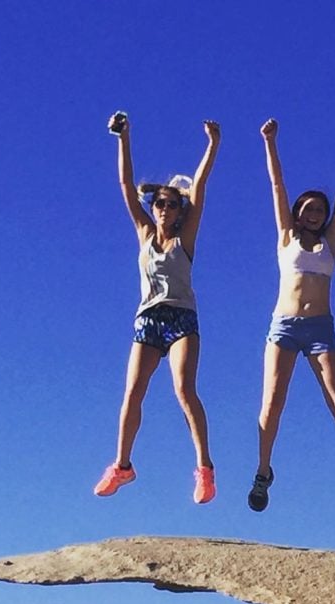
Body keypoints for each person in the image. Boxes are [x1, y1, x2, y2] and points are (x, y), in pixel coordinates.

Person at [248, 118, 335, 514]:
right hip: (283, 327)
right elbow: (276, 183)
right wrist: (270, 142)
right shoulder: (286, 238)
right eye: (308, 208)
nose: (316, 213)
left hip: (321, 329)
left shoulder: (330, 244)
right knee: (272, 401)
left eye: (320, 210)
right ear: (297, 213)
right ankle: (263, 472)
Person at [94, 113, 221, 504]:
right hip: (148, 320)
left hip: (181, 319)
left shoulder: (185, 238)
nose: (163, 208)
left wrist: (212, 145)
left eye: (171, 204)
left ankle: (205, 470)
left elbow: (199, 187)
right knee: (132, 392)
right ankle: (122, 466)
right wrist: (123, 137)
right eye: (159, 203)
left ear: (180, 210)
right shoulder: (145, 233)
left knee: (184, 389)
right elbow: (124, 186)